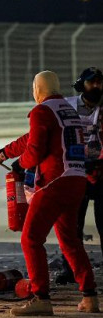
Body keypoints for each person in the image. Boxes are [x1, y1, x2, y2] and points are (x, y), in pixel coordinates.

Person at [0, 71, 100, 315]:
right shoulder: (68, 110)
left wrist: (21, 164)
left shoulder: (41, 111)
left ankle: (41, 298)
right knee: (70, 241)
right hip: (77, 181)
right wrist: (4, 154)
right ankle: (90, 297)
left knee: (31, 239)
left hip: (54, 184)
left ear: (37, 89)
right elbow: (29, 139)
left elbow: (34, 150)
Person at [55, 67, 103, 285]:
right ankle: (71, 269)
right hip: (75, 169)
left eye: (100, 82)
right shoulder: (67, 105)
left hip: (101, 172)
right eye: (92, 82)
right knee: (72, 225)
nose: (96, 86)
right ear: (81, 84)